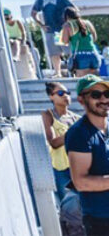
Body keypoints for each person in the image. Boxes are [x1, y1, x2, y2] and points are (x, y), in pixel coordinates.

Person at [67, 74, 109, 234]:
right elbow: (81, 183)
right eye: (96, 95)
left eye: (107, 94)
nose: (104, 99)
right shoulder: (79, 133)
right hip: (101, 220)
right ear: (81, 100)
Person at [46, 82, 83, 221]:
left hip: (80, 167)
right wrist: (74, 132)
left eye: (67, 92)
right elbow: (54, 143)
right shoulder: (48, 116)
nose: (66, 96)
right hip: (62, 169)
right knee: (69, 208)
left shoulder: (76, 118)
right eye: (60, 93)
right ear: (51, 96)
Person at [38, 0, 78, 76]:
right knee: (54, 53)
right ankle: (58, 73)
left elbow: (74, 9)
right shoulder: (41, 1)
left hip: (63, 30)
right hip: (51, 31)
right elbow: (33, 13)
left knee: (69, 51)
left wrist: (69, 22)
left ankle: (75, 71)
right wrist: (41, 24)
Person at [65, 8, 103, 77]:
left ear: (67, 17)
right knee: (96, 82)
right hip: (94, 54)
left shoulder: (67, 25)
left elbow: (64, 42)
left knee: (83, 83)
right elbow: (95, 38)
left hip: (80, 57)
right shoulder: (87, 23)